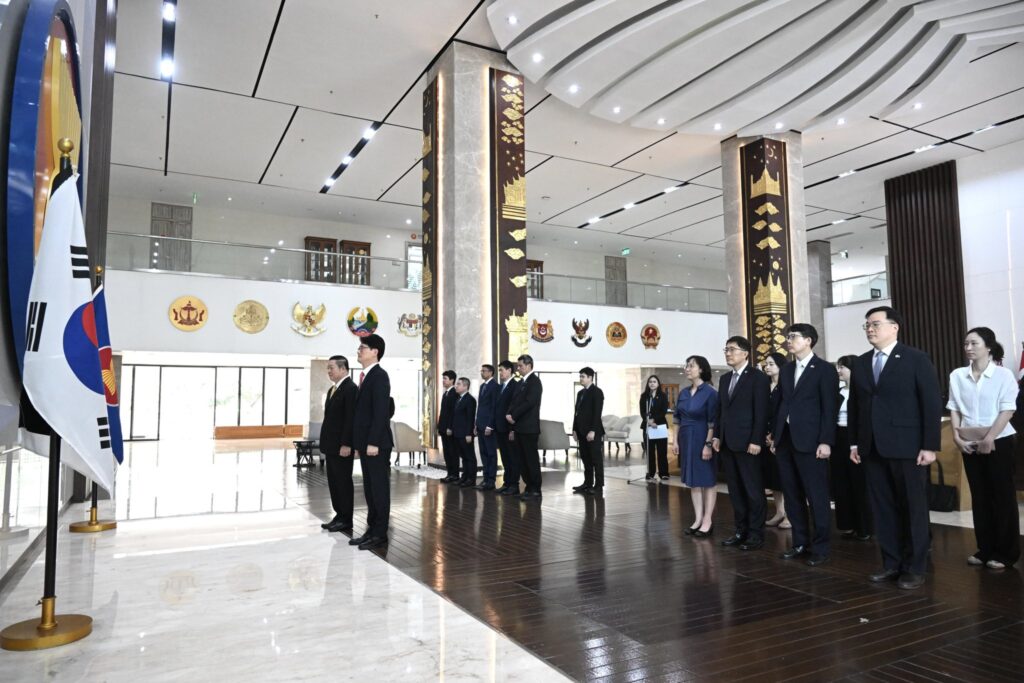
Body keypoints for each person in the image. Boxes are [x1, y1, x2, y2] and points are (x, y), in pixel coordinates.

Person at [848, 306, 942, 590]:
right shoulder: (862, 362)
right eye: (866, 325)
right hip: (872, 447)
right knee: (883, 508)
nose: (870, 329)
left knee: (913, 508)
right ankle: (891, 563)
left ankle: (914, 567)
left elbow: (930, 403)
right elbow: (855, 406)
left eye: (875, 324)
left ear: (894, 327)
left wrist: (930, 445)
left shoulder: (916, 358)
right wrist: (854, 442)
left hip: (908, 446)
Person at [947, 327, 1019, 569]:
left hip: (1000, 440)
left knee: (1002, 496)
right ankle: (985, 549)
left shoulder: (1003, 375)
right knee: (980, 496)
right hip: (969, 441)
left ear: (988, 347)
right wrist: (957, 437)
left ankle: (1006, 553)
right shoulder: (957, 375)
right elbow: (954, 408)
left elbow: (1008, 409)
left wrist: (990, 438)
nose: (968, 348)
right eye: (966, 343)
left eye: (974, 343)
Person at [773, 323, 838, 567]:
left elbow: (829, 408)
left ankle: (821, 547)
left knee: (816, 495)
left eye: (794, 337)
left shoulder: (824, 369)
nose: (789, 340)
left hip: (812, 441)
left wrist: (826, 441)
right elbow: (781, 402)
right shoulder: (787, 369)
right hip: (785, 439)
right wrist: (775, 434)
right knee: (792, 494)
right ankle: (800, 542)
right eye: (788, 336)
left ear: (809, 340)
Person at [713, 336, 770, 551]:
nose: (728, 353)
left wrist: (756, 439)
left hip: (748, 444)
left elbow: (761, 412)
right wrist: (717, 436)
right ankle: (740, 531)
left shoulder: (758, 378)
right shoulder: (725, 379)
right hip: (727, 443)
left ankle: (755, 534)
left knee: (753, 491)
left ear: (745, 353)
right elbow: (721, 411)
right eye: (726, 349)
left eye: (732, 349)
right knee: (735, 491)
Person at [348, 334, 394, 550]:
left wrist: (373, 442)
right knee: (369, 489)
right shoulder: (365, 376)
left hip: (377, 444)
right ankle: (371, 530)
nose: (359, 351)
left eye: (363, 348)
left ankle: (380, 534)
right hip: (366, 444)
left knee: (379, 489)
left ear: (375, 352)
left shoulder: (380, 376)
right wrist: (359, 444)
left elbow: (380, 412)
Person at [672, 355, 719, 538]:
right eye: (686, 366)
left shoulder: (710, 393)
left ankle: (707, 520)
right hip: (686, 439)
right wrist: (675, 441)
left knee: (707, 480)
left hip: (702, 437)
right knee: (693, 480)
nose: (687, 369)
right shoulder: (683, 393)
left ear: (701, 369)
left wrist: (708, 445)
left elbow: (712, 422)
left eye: (691, 366)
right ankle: (698, 519)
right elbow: (677, 419)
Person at [833, 355, 872, 541]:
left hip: (856, 437)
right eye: (838, 367)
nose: (839, 371)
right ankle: (847, 525)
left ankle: (864, 526)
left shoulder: (863, 392)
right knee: (841, 482)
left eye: (843, 367)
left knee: (859, 483)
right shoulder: (838, 391)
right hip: (838, 437)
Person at [319, 355, 357, 533]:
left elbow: (350, 419)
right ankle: (339, 515)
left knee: (343, 483)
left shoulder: (351, 389)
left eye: (331, 368)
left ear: (343, 369)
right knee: (334, 482)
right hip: (331, 445)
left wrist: (347, 444)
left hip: (342, 446)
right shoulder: (332, 389)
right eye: (328, 368)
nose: (329, 371)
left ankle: (346, 519)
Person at [507, 354, 543, 501]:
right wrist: (509, 413)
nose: (518, 368)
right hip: (520, 427)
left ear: (529, 365)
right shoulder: (522, 382)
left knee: (531, 460)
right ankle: (528, 487)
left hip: (529, 427)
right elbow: (515, 401)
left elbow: (529, 402)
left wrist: (514, 415)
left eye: (520, 366)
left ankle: (535, 490)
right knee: (522, 460)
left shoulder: (535, 382)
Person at [761, 352, 790, 529]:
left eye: (771, 364)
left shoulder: (786, 386)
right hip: (765, 436)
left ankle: (789, 514)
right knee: (773, 479)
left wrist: (775, 436)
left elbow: (783, 414)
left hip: (781, 436)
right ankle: (779, 511)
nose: (767, 367)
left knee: (784, 478)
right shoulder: (765, 386)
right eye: (766, 364)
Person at [572, 367, 605, 496]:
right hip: (581, 431)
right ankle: (588, 483)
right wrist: (574, 429)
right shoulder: (580, 393)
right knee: (585, 458)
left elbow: (597, 413)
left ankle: (599, 485)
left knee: (596, 459)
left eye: (583, 376)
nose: (580, 378)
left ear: (590, 377)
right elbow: (576, 413)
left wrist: (593, 430)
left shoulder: (597, 392)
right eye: (580, 376)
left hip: (592, 432)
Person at [494, 360, 520, 496]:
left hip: (509, 428)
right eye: (499, 370)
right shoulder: (500, 387)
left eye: (502, 370)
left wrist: (512, 429)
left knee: (512, 457)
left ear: (509, 370)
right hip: (500, 428)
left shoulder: (515, 386)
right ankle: (507, 483)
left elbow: (514, 408)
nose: (500, 373)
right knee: (504, 457)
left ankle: (514, 485)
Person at [640, 375, 670, 481]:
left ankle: (664, 473)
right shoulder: (644, 396)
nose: (652, 383)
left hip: (659, 426)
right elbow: (642, 411)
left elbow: (663, 411)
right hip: (647, 426)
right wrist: (648, 420)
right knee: (650, 452)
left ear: (658, 384)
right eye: (650, 382)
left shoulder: (663, 395)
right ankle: (651, 473)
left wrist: (654, 420)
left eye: (654, 382)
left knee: (662, 451)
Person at [475, 364, 499, 491]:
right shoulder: (482, 386)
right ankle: (485, 479)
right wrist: (476, 423)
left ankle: (491, 480)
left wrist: (490, 425)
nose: (482, 373)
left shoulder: (495, 386)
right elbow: (480, 407)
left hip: (488, 426)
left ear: (490, 372)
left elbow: (494, 407)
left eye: (484, 371)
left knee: (491, 453)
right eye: (481, 370)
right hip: (480, 424)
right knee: (483, 453)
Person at [452, 377, 478, 488]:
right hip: (458, 433)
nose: (456, 386)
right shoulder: (459, 399)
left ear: (465, 386)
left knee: (469, 456)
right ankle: (464, 476)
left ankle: (471, 479)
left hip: (465, 434)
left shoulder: (470, 400)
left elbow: (470, 418)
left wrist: (469, 434)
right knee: (463, 456)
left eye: (459, 384)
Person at [437, 370, 458, 483]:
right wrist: (440, 427)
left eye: (445, 379)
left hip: (449, 429)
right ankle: (449, 474)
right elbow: (443, 412)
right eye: (443, 378)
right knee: (446, 452)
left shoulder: (454, 393)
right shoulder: (446, 393)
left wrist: (450, 427)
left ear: (452, 380)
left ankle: (454, 475)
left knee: (452, 452)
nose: (443, 381)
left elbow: (453, 413)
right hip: (443, 428)